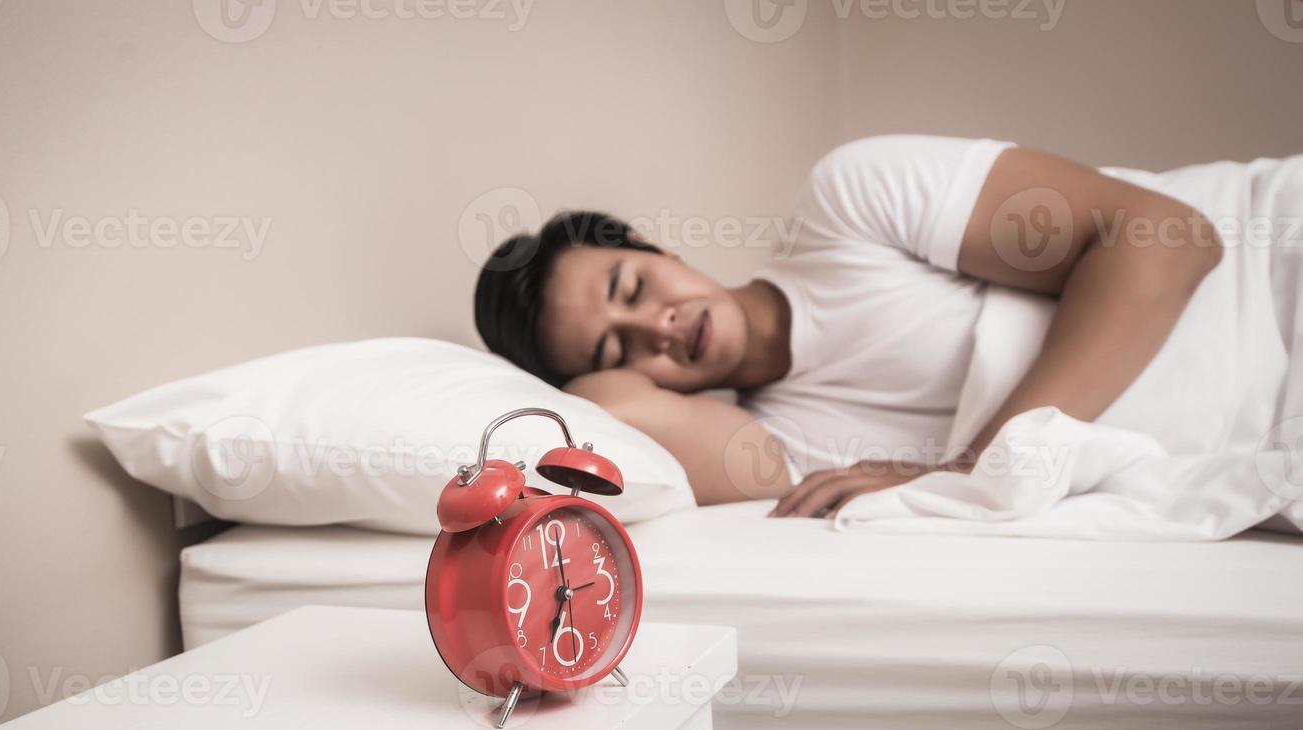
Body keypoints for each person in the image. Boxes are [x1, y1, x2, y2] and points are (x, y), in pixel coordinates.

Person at [472, 135, 1242, 518]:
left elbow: (1168, 236)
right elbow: (615, 413)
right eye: (616, 347)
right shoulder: (785, 453)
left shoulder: (849, 202)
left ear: (660, 245)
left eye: (632, 285)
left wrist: (977, 464)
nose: (656, 327)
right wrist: (593, 380)